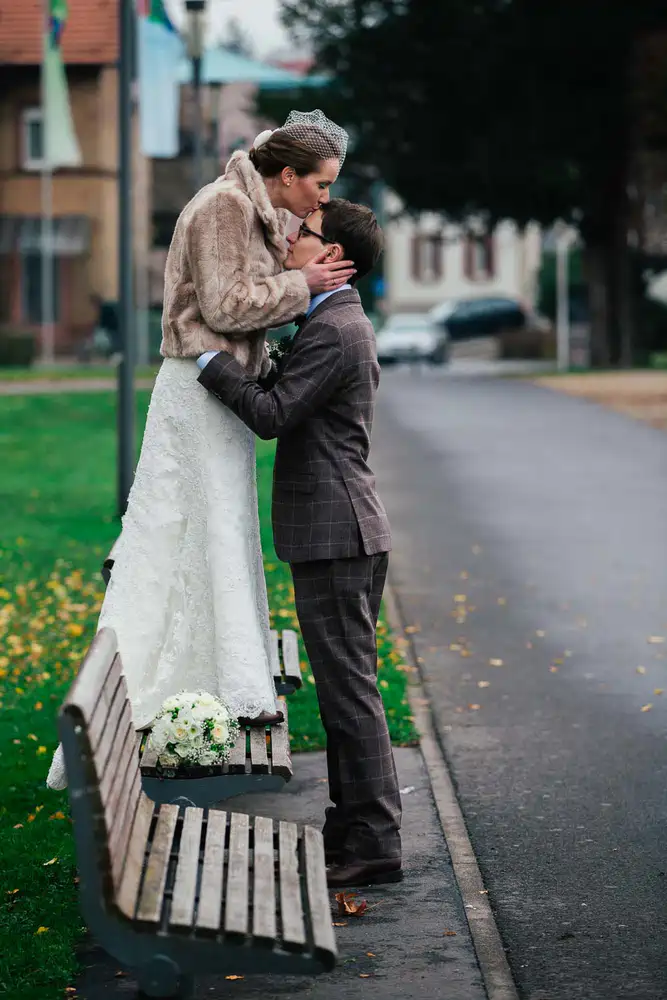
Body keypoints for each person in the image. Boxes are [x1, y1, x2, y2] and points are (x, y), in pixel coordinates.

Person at [46, 110, 354, 791]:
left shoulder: (249, 207)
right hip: (197, 390)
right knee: (186, 527)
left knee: (218, 529)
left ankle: (219, 674)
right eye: (320, 185)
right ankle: (176, 684)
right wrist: (305, 288)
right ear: (286, 175)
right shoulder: (222, 207)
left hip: (221, 388)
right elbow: (225, 307)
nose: (323, 201)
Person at [196, 198, 402, 889]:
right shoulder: (324, 319)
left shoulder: (335, 329)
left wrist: (208, 361)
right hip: (339, 529)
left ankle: (373, 844)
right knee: (348, 690)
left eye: (305, 232)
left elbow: (273, 415)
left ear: (334, 258)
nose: (290, 235)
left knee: (349, 695)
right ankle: (350, 831)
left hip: (336, 531)